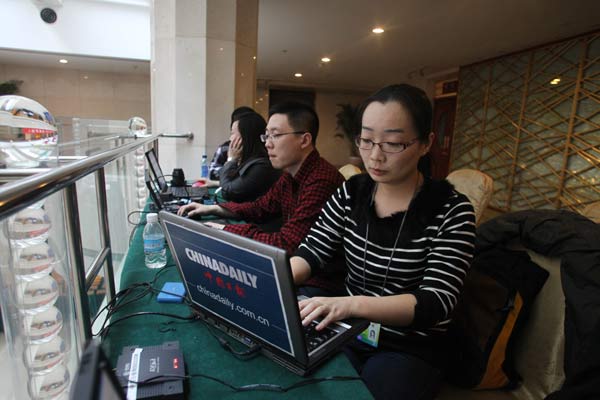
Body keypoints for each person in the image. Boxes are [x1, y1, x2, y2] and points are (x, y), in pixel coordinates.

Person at [290, 84, 476, 400]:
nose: (374, 156)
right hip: (350, 329)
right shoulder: (352, 192)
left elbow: (435, 301)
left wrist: (349, 304)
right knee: (303, 383)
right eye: (365, 140)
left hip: (412, 344)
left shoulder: (452, 210)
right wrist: (271, 281)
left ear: (425, 143)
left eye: (392, 143)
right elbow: (312, 252)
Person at [178, 101, 345, 254]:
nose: (267, 143)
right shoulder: (289, 176)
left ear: (304, 140)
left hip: (317, 280)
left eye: (275, 135)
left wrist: (223, 229)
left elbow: (286, 243)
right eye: (266, 135)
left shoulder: (321, 181)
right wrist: (214, 209)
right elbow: (261, 207)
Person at [219, 112, 280, 202]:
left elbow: (228, 192)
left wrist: (231, 160)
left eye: (232, 133)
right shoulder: (249, 160)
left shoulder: (262, 166)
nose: (230, 139)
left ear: (246, 137)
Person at [208, 106, 255, 180]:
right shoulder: (225, 148)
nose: (231, 138)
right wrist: (231, 161)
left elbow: (244, 181)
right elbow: (212, 172)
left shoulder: (258, 149)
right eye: (232, 133)